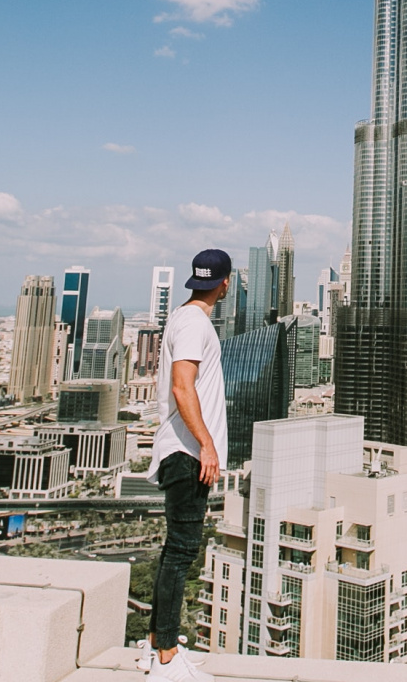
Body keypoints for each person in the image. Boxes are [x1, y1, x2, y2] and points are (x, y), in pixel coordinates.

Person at [145, 248, 231, 681]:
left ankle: (155, 645)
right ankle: (165, 658)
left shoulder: (181, 317)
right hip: (186, 454)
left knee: (172, 550)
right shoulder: (196, 324)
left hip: (180, 450)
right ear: (225, 284)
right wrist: (207, 445)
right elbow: (183, 388)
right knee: (181, 552)